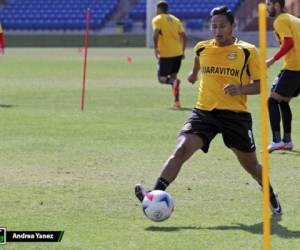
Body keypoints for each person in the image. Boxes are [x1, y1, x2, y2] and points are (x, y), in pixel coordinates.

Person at [135, 5, 282, 215]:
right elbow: (197, 61)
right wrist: (194, 74)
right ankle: (153, 195)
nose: (217, 30)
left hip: (235, 116)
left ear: (233, 26)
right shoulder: (202, 48)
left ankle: (270, 193)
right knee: (181, 149)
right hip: (204, 113)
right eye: (214, 26)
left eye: (222, 26)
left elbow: (261, 85)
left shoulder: (248, 51)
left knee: (252, 167)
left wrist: (239, 89)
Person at [266, 0, 300, 153]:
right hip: (296, 68)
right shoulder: (294, 19)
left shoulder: (280, 20)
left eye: (269, 4)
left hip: (294, 68)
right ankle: (287, 141)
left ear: (277, 5)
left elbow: (288, 43)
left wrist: (272, 59)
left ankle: (276, 140)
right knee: (283, 101)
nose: (268, 7)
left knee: (272, 100)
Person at [152, 1, 187, 108]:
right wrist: (183, 51)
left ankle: (174, 83)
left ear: (159, 9)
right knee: (174, 77)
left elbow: (156, 33)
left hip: (166, 53)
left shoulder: (157, 19)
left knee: (162, 79)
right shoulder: (176, 20)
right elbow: (184, 36)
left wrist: (156, 48)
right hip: (177, 53)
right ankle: (177, 102)